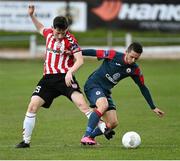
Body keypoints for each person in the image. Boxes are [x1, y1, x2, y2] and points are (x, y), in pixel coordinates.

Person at [15, 5, 113, 148]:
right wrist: (31, 16)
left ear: (66, 30)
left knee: (83, 105)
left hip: (65, 78)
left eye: (63, 33)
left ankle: (105, 129)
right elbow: (40, 27)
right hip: (47, 79)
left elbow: (80, 60)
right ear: (53, 28)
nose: (60, 36)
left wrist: (69, 72)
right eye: (57, 32)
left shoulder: (71, 41)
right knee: (32, 106)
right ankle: (26, 141)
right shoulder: (48, 33)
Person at [80, 42, 165, 145]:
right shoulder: (113, 55)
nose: (133, 60)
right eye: (131, 57)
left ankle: (91, 138)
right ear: (126, 52)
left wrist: (153, 107)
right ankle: (86, 136)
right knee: (103, 105)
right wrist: (76, 52)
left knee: (113, 123)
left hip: (105, 91)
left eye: (136, 59)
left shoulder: (135, 69)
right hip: (93, 85)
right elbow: (94, 52)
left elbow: (143, 87)